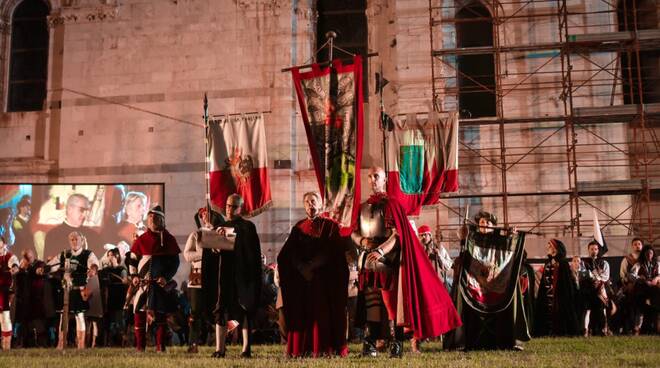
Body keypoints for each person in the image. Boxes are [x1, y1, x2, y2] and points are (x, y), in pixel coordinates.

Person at [352, 167, 460, 358]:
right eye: (370, 177)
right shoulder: (362, 206)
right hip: (367, 258)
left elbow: (397, 234)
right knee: (372, 303)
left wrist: (380, 250)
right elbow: (354, 231)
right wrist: (362, 241)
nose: (372, 180)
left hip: (389, 259)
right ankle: (370, 345)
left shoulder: (392, 204)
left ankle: (397, 344)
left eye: (376, 176)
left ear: (385, 179)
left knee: (393, 305)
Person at [444, 211, 530, 351]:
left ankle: (507, 340)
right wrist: (464, 237)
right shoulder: (472, 239)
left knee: (511, 291)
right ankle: (463, 341)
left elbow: (512, 255)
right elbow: (465, 255)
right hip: (475, 286)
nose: (484, 225)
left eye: (488, 223)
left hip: (498, 286)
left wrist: (512, 237)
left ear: (494, 225)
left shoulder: (502, 241)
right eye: (481, 223)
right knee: (461, 293)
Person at [277, 191, 350, 357]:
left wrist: (312, 266)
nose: (310, 204)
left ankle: (322, 349)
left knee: (322, 316)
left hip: (323, 280)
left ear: (320, 204)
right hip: (302, 280)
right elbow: (288, 254)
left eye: (313, 201)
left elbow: (332, 251)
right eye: (307, 202)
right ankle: (301, 349)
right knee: (301, 314)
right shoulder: (298, 228)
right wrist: (301, 268)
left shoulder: (330, 226)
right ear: (304, 206)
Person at [212, 194, 262, 358]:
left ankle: (246, 348)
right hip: (224, 275)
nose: (229, 209)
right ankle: (220, 349)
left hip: (243, 275)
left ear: (240, 208)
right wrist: (215, 246)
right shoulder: (221, 226)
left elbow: (251, 252)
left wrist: (232, 235)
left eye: (233, 206)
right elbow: (215, 253)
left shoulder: (248, 227)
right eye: (227, 205)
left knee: (244, 310)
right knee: (221, 309)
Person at [129, 205, 180, 352]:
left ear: (161, 219)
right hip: (143, 284)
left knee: (161, 316)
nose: (151, 220)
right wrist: (134, 276)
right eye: (149, 217)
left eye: (154, 217)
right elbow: (133, 259)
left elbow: (175, 263)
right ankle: (140, 347)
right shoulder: (141, 239)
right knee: (139, 314)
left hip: (160, 285)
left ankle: (160, 347)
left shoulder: (169, 239)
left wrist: (166, 277)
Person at [48, 231, 100, 349]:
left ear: (82, 240)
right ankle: (61, 343)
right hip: (66, 290)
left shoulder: (88, 254)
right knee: (63, 316)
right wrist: (44, 268)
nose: (74, 241)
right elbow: (53, 265)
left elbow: (94, 264)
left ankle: (81, 345)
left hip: (79, 290)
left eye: (76, 239)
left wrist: (93, 269)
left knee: (79, 316)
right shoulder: (65, 254)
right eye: (72, 239)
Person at [183, 206, 225, 353]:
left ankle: (218, 342)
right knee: (195, 309)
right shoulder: (196, 234)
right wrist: (205, 255)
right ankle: (193, 343)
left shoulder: (221, 234)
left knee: (214, 307)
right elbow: (187, 255)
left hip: (214, 273)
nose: (206, 217)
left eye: (209, 214)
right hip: (197, 272)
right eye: (204, 215)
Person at [533, 239, 581, 337]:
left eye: (550, 246)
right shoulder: (548, 262)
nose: (548, 247)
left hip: (559, 296)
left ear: (556, 249)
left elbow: (566, 283)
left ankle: (562, 332)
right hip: (548, 295)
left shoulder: (563, 263)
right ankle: (546, 332)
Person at [43, 194, 103, 260]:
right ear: (69, 209)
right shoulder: (53, 235)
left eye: (87, 211)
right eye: (82, 210)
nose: (85, 215)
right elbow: (50, 265)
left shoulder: (93, 236)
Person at [12, 250, 49, 347]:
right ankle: (27, 344)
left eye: (29, 257)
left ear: (33, 255)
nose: (28, 260)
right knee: (26, 325)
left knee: (39, 323)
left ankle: (43, 344)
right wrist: (20, 269)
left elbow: (42, 271)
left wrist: (38, 270)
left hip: (37, 300)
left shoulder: (39, 264)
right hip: (25, 301)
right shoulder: (22, 270)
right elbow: (18, 283)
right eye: (26, 258)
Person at [579, 240, 611, 336]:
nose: (594, 251)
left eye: (596, 249)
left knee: (602, 309)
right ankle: (585, 330)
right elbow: (583, 274)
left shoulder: (604, 263)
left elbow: (606, 276)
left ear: (598, 250)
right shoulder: (583, 262)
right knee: (587, 310)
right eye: (592, 249)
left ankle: (603, 329)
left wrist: (597, 280)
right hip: (588, 289)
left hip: (600, 290)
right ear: (588, 250)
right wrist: (592, 278)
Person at [99, 248, 128, 346]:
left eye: (111, 255)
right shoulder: (106, 270)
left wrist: (124, 280)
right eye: (108, 255)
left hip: (119, 298)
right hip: (109, 298)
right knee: (109, 322)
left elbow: (125, 281)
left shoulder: (121, 269)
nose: (109, 257)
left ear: (117, 256)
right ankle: (109, 343)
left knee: (120, 321)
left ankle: (123, 343)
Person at [629, 245, 659, 334]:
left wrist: (656, 278)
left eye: (651, 253)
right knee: (640, 308)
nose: (649, 255)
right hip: (641, 289)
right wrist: (641, 279)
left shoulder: (657, 264)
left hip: (654, 289)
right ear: (644, 254)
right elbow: (631, 275)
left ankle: (655, 328)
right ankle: (637, 328)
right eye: (647, 253)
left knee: (655, 308)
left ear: (653, 254)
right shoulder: (638, 264)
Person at [619, 238, 644, 333]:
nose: (637, 246)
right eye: (635, 244)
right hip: (629, 287)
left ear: (642, 246)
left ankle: (639, 327)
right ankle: (628, 327)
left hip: (642, 287)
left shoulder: (645, 259)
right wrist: (627, 283)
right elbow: (622, 274)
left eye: (639, 244)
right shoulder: (626, 259)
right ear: (632, 246)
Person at [0, 236, 19, 350]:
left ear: (3, 244)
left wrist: (15, 268)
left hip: (4, 291)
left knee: (5, 318)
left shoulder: (9, 256)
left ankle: (6, 347)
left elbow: (14, 264)